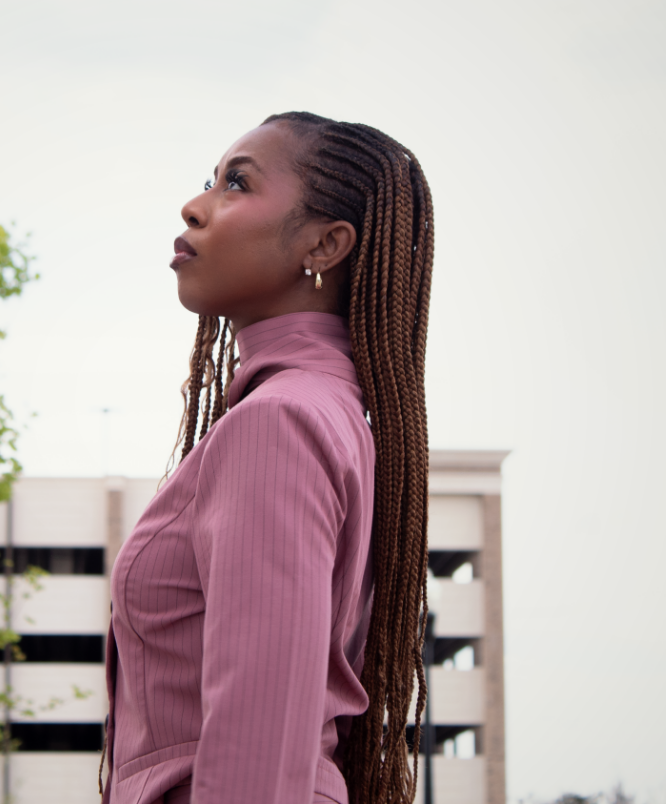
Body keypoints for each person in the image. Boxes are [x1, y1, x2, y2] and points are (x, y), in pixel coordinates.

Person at [102, 112, 434, 804]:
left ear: (324, 244)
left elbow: (259, 750)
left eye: (237, 184)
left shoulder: (279, 423)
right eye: (209, 181)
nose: (194, 207)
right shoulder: (326, 412)